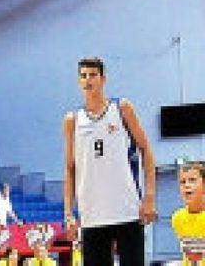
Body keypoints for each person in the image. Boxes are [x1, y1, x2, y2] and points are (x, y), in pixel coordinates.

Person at [62, 57, 156, 266]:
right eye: (83, 76)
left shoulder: (121, 108)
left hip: (127, 211)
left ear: (103, 79)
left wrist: (149, 196)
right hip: (92, 217)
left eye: (93, 75)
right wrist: (69, 214)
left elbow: (146, 149)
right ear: (79, 81)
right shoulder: (72, 120)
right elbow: (69, 169)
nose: (88, 80)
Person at [172, 161, 205, 265]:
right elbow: (192, 257)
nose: (187, 185)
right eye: (182, 182)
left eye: (192, 180)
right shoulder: (178, 218)